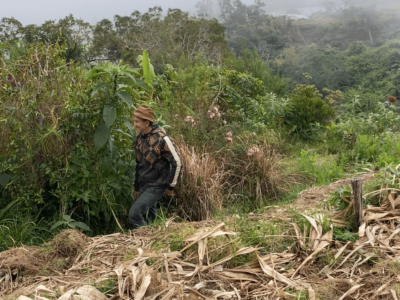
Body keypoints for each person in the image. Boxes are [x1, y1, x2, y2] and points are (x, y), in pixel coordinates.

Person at [129, 105, 182, 229]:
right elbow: (139, 164)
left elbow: (177, 162)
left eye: (137, 121)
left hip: (156, 185)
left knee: (134, 215)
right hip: (143, 185)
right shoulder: (139, 138)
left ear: (146, 122)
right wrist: (136, 187)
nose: (134, 124)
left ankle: (145, 240)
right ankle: (152, 244)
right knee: (149, 218)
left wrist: (170, 186)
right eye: (134, 121)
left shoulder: (162, 138)